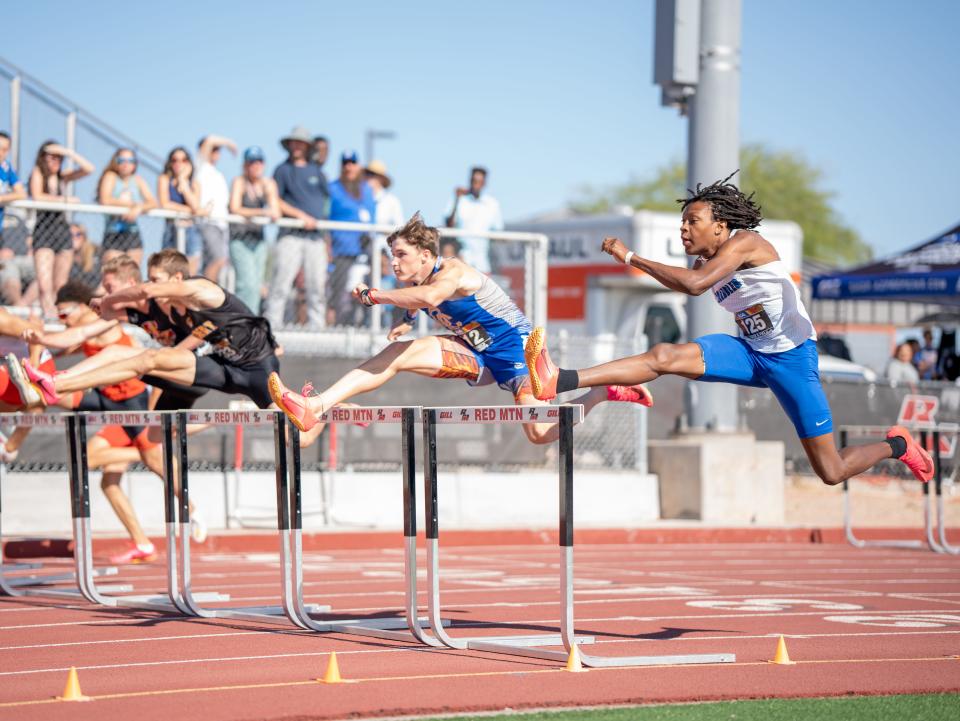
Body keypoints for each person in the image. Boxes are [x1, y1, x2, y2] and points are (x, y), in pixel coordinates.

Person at [523, 173, 934, 485]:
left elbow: (695, 286)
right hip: (749, 352)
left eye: (692, 221)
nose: (683, 229)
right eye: (682, 222)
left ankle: (898, 444)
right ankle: (559, 378)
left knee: (830, 469)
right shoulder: (705, 261)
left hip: (791, 359)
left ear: (720, 226)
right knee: (665, 356)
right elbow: (686, 280)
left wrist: (630, 256)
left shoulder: (746, 243)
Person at [269, 213, 651, 447]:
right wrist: (408, 317)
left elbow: (434, 293)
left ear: (425, 255)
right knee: (399, 354)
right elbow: (425, 300)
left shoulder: (452, 272)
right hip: (475, 352)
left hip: (516, 352)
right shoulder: (422, 283)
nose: (394, 262)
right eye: (391, 256)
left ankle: (601, 392)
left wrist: (377, 296)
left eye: (400, 255)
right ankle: (316, 406)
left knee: (538, 434)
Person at [18, 281, 206, 561]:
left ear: (83, 308)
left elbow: (73, 338)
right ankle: (142, 544)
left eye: (65, 313)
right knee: (105, 478)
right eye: (59, 316)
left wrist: (43, 336)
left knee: (152, 462)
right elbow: (64, 349)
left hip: (132, 402)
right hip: (107, 400)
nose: (63, 320)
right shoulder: (82, 333)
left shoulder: (102, 324)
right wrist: (39, 346)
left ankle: (191, 508)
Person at [16, 249, 281, 411]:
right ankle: (54, 385)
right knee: (156, 438)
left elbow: (150, 292)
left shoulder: (187, 293)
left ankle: (55, 385)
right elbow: (82, 333)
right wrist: (45, 338)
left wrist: (108, 300)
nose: (106, 294)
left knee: (140, 357)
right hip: (217, 370)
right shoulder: (162, 307)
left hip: (223, 366)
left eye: (111, 288)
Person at [265, 126, 329, 329]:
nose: (297, 146)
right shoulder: (282, 170)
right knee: (281, 283)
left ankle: (318, 328)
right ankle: (272, 326)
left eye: (301, 142)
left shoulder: (317, 172)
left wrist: (324, 232)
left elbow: (326, 202)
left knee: (316, 286)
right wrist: (300, 216)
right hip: (290, 234)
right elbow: (275, 199)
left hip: (315, 238)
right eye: (294, 142)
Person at [28, 141, 94, 318]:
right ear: (43, 158)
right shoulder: (37, 173)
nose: (56, 161)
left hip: (61, 231)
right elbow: (37, 196)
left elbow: (89, 169)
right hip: (43, 231)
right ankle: (48, 318)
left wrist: (68, 152)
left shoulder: (62, 177)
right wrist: (65, 201)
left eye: (59, 158)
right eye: (52, 157)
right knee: (44, 285)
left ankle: (59, 318)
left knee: (60, 285)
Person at [327, 150, 376, 327]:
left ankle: (368, 326)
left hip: (365, 250)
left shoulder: (366, 190)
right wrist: (328, 248)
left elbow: (372, 218)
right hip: (341, 250)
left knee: (369, 290)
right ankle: (341, 328)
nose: (349, 166)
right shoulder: (332, 188)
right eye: (345, 162)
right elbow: (325, 218)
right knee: (341, 294)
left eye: (352, 162)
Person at [229, 146, 280, 314]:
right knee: (246, 284)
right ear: (245, 165)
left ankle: (251, 321)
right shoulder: (239, 181)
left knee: (257, 285)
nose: (256, 166)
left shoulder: (267, 184)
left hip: (259, 240)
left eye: (259, 161)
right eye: (252, 162)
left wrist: (267, 193)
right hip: (240, 239)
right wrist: (261, 212)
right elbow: (235, 208)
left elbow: (275, 210)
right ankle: (242, 320)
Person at [96, 147, 157, 266]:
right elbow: (105, 199)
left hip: (132, 232)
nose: (126, 164)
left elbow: (153, 202)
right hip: (113, 232)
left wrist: (139, 209)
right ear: (116, 162)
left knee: (132, 275)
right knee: (114, 274)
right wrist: (133, 205)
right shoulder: (111, 176)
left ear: (135, 164)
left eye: (130, 160)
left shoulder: (137, 180)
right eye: (121, 160)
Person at [444, 166, 502, 274]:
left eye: (479, 181)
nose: (476, 184)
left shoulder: (492, 204)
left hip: (483, 262)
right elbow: (449, 225)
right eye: (474, 181)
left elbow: (498, 231)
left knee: (483, 290)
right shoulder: (460, 199)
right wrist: (456, 199)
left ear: (484, 183)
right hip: (461, 258)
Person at [195, 135, 237, 282]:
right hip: (209, 222)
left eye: (218, 150)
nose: (216, 152)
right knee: (218, 260)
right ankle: (208, 299)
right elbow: (210, 140)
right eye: (213, 150)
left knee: (218, 262)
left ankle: (209, 297)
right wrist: (229, 142)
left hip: (222, 224)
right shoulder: (200, 167)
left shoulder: (218, 174)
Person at [157, 146, 204, 276]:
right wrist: (190, 210)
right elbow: (165, 204)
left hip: (191, 231)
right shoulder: (164, 179)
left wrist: (183, 182)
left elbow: (195, 205)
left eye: (183, 160)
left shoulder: (194, 183)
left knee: (190, 275)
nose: (178, 163)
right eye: (174, 160)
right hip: (171, 230)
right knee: (168, 272)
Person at [0, 132, 34, 306]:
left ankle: (20, 310)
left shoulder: (6, 167)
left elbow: (21, 192)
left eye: (5, 149)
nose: (1, 152)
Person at [68, 223, 102, 290]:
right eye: (70, 235)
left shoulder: (95, 252)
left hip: (93, 292)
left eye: (78, 234)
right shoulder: (63, 256)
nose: (74, 237)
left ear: (84, 236)